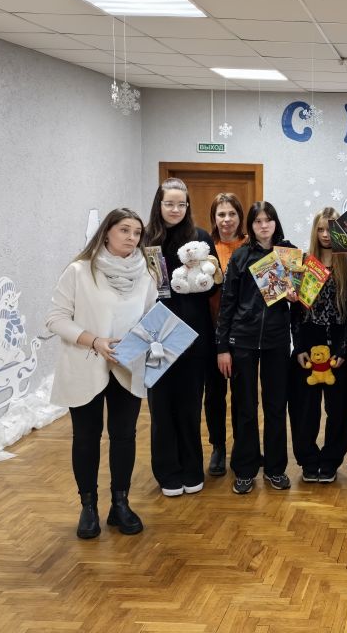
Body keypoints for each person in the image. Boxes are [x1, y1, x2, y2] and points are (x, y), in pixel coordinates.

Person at [46, 208, 158, 539]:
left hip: (127, 365)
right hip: (86, 362)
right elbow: (55, 318)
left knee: (124, 436)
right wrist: (95, 341)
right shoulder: (79, 271)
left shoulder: (147, 273)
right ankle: (89, 506)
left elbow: (151, 316)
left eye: (137, 233)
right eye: (124, 230)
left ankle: (120, 504)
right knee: (86, 437)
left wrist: (150, 340)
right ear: (106, 232)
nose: (132, 238)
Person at [216, 201, 297, 495]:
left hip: (277, 340)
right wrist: (222, 347)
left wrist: (296, 295)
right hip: (243, 341)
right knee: (245, 408)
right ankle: (245, 469)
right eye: (258, 221)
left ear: (276, 222)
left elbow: (302, 298)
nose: (264, 225)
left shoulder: (288, 253)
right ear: (250, 225)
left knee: (276, 406)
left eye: (268, 220)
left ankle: (275, 469)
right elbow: (227, 303)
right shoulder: (240, 256)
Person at [144, 178, 217, 497]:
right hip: (156, 335)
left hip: (194, 335)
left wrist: (206, 274)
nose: (175, 209)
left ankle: (191, 468)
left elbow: (214, 286)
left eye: (181, 204)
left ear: (188, 206)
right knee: (161, 408)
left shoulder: (200, 238)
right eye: (169, 203)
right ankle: (167, 471)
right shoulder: (146, 239)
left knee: (189, 407)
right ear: (159, 205)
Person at [289, 207, 347, 484]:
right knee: (304, 409)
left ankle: (331, 461)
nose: (325, 234)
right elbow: (296, 311)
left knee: (339, 409)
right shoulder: (304, 263)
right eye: (320, 229)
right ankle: (308, 460)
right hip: (307, 343)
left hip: (339, 344)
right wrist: (299, 347)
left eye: (330, 229)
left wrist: (343, 349)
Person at [205, 193, 248, 477]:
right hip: (211, 330)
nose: (227, 219)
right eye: (221, 214)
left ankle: (244, 447)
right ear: (214, 218)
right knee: (214, 394)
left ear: (240, 217)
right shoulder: (206, 247)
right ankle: (218, 446)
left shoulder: (250, 245)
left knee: (244, 396)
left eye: (232, 213)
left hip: (243, 333)